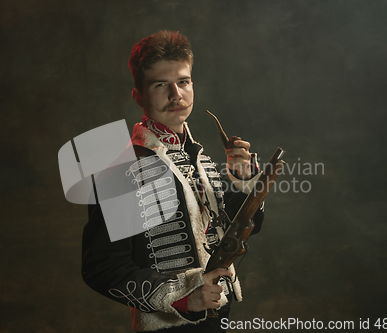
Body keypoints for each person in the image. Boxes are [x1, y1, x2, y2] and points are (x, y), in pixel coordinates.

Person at [82, 30, 264, 332]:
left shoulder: (202, 160)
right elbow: (102, 267)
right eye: (160, 84)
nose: (175, 94)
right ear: (138, 95)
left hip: (220, 319)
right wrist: (182, 298)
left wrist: (241, 182)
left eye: (183, 82)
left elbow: (242, 230)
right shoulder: (121, 170)